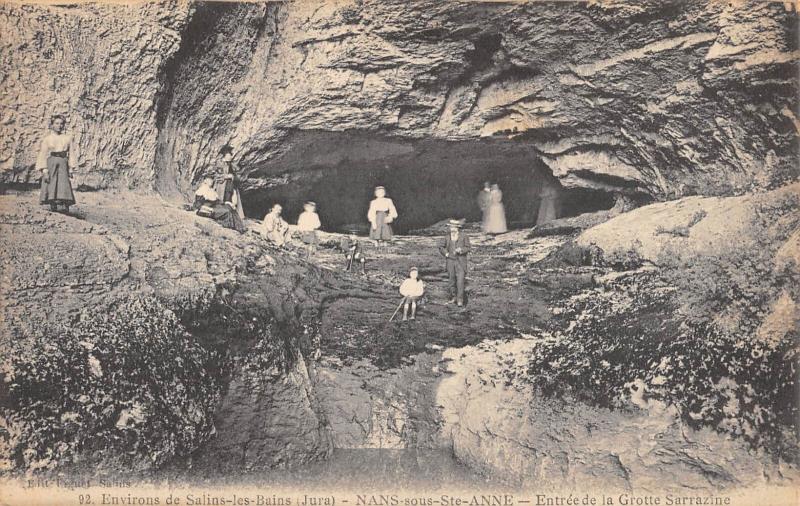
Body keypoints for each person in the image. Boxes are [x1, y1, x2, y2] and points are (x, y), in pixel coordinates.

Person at [37, 114, 78, 213]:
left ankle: (65, 204)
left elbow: (71, 153)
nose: (59, 126)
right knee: (52, 182)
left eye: (61, 124)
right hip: (52, 162)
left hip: (63, 162)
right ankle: (53, 203)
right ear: (52, 125)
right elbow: (43, 154)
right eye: (57, 123)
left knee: (64, 182)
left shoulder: (68, 138)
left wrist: (71, 168)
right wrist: (44, 170)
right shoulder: (47, 139)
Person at [438, 219, 471, 307]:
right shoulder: (447, 237)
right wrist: (446, 253)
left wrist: (461, 250)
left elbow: (468, 248)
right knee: (451, 280)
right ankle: (454, 297)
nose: (452, 229)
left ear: (457, 228)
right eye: (451, 227)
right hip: (450, 261)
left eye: (453, 227)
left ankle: (460, 300)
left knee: (460, 281)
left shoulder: (464, 236)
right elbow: (441, 247)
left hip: (460, 262)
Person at [214, 145, 245, 221]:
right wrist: (227, 176)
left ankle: (232, 217)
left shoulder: (231, 165)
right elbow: (217, 176)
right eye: (229, 155)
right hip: (223, 187)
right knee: (223, 200)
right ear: (225, 155)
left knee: (232, 201)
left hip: (231, 186)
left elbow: (238, 173)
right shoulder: (220, 164)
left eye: (230, 155)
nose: (230, 156)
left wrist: (234, 177)